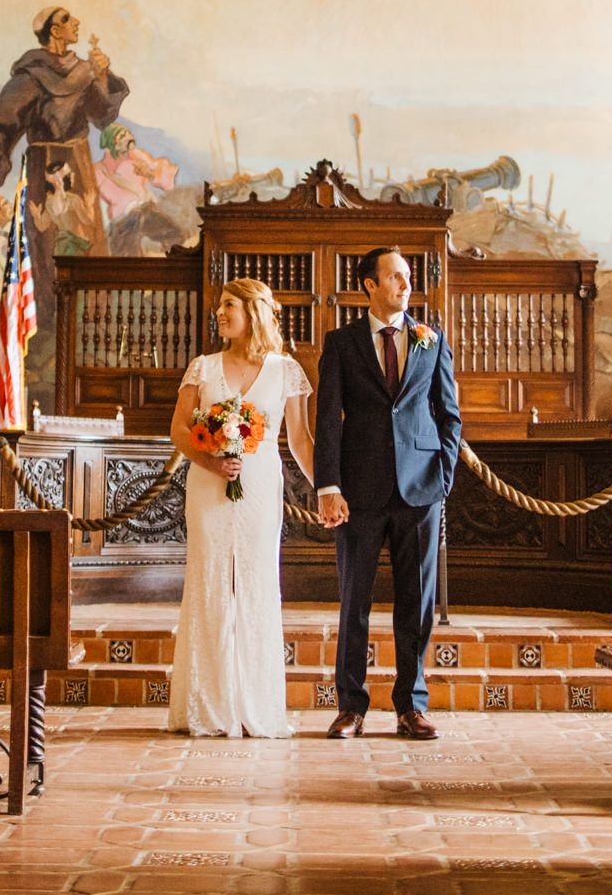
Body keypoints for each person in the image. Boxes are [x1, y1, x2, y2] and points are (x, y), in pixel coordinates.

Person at [314, 247, 461, 741]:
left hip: (421, 490)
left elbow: (449, 415)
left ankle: (410, 706)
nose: (405, 284)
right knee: (354, 601)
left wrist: (443, 477)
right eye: (395, 277)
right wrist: (329, 486)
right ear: (369, 286)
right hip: (358, 490)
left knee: (416, 602)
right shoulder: (341, 342)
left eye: (408, 276)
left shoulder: (431, 340)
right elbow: (328, 420)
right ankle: (351, 707)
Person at [167, 276, 318, 738]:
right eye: (219, 306)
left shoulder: (285, 370)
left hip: (259, 489)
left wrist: (328, 492)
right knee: (210, 580)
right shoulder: (203, 367)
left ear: (253, 312)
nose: (219, 313)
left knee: (255, 583)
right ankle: (206, 707)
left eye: (229, 305)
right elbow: (177, 430)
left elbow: (300, 440)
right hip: (208, 487)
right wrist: (210, 461)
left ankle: (256, 705)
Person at [0, 6, 128, 251]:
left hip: (79, 165)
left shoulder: (84, 70)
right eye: (67, 19)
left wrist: (102, 76)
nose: (76, 22)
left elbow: (101, 116)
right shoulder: (32, 75)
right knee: (47, 241)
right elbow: (3, 121)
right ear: (55, 31)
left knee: (87, 238)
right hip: (45, 168)